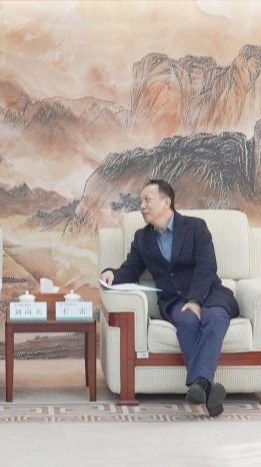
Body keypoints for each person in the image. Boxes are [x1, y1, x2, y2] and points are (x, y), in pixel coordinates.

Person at [100, 178, 238, 416]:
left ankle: (199, 384)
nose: (142, 206)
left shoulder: (196, 227)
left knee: (215, 318)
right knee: (187, 321)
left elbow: (207, 267)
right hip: (175, 301)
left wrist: (195, 300)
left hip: (209, 293)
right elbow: (131, 270)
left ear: (166, 202)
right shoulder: (142, 238)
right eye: (140, 201)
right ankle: (206, 386)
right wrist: (112, 273)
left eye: (147, 200)